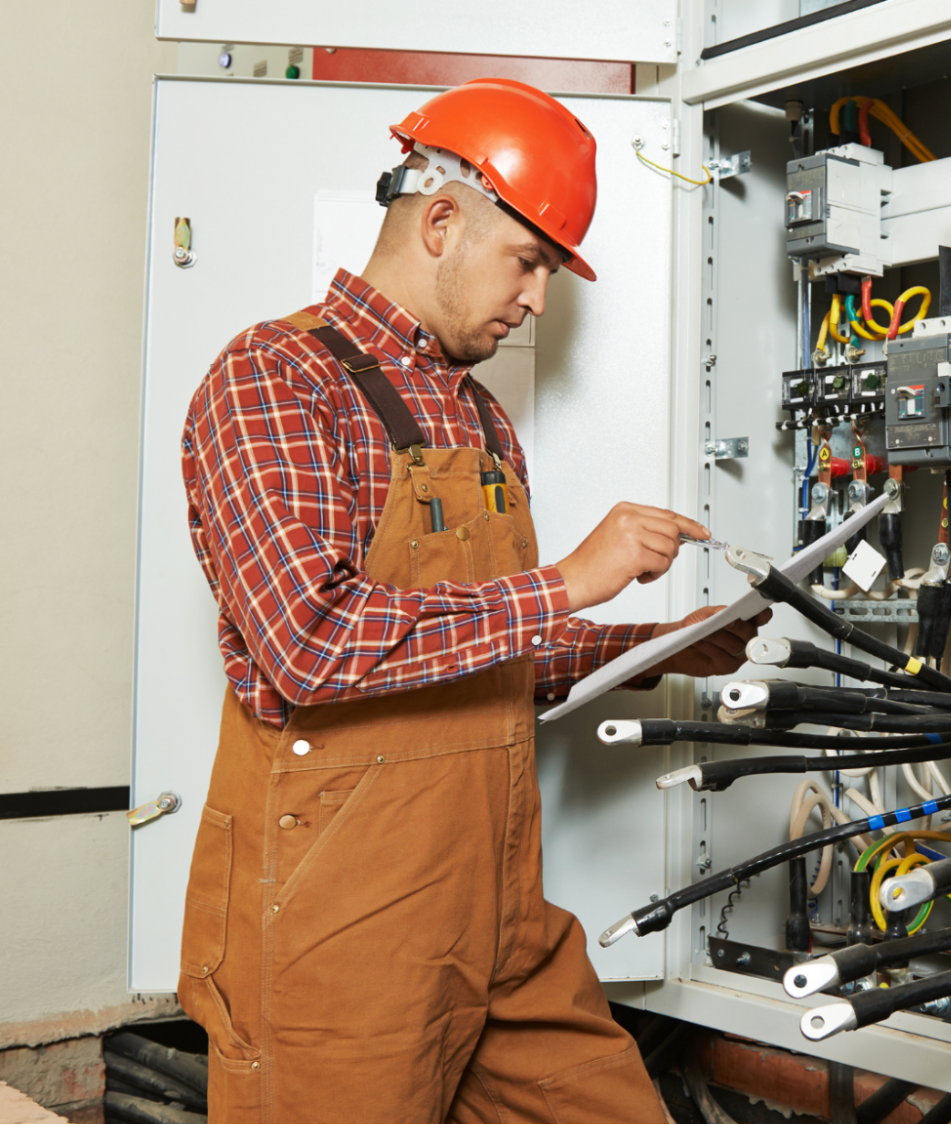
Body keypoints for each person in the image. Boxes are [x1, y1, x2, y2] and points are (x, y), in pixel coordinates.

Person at [176, 78, 752, 1122]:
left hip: (498, 917)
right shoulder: (274, 378)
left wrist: (655, 647)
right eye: (528, 262)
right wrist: (572, 579)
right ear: (440, 222)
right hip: (338, 939)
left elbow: (485, 651)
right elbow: (309, 644)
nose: (536, 299)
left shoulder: (480, 419)